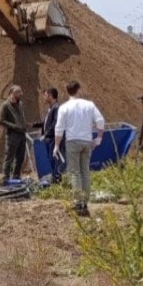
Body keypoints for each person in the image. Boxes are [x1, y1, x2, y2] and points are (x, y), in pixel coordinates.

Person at [53, 80, 105, 217]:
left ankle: (78, 203)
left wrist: (57, 145)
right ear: (79, 89)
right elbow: (100, 121)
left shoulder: (64, 108)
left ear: (67, 91)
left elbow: (59, 129)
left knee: (75, 172)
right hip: (87, 141)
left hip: (72, 141)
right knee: (85, 171)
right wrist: (99, 138)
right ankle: (85, 202)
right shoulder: (89, 105)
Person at [32, 87, 65, 183]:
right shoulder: (51, 108)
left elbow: (55, 123)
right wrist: (33, 125)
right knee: (51, 158)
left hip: (53, 138)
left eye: (45, 95)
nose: (44, 97)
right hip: (49, 138)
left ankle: (57, 178)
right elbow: (46, 123)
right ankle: (55, 177)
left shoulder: (57, 108)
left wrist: (45, 135)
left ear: (50, 96)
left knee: (54, 158)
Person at [0, 84, 27, 184]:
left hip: (22, 134)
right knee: (9, 157)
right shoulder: (5, 105)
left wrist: (24, 126)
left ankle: (16, 176)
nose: (20, 94)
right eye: (18, 92)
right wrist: (14, 126)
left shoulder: (20, 104)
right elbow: (1, 121)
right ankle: (5, 178)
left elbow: (21, 118)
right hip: (12, 135)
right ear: (12, 93)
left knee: (20, 157)